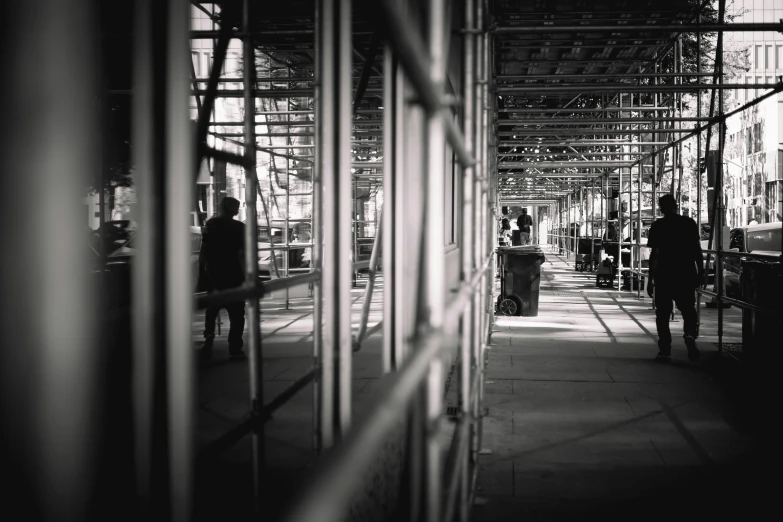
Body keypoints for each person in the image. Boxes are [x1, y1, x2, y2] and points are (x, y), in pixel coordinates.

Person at [646, 194, 704, 362]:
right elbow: (697, 250)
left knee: (662, 314)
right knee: (688, 309)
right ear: (676, 205)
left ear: (661, 208)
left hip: (664, 275)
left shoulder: (658, 226)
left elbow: (654, 255)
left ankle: (665, 349)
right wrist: (701, 271)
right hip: (685, 273)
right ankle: (689, 335)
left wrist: (650, 279)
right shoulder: (689, 223)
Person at [199, 197, 247, 362]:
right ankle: (235, 349)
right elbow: (243, 254)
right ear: (234, 210)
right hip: (234, 275)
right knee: (237, 314)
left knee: (212, 311)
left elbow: (204, 252)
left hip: (214, 274)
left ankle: (209, 338)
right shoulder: (240, 228)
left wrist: (204, 274)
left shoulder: (211, 226)